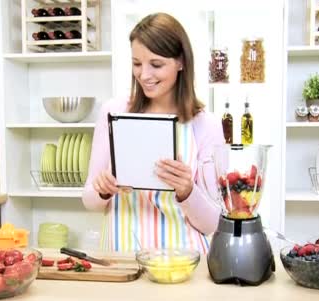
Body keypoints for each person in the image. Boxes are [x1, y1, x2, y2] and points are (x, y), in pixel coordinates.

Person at [82, 13, 222, 253]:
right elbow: (89, 201)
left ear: (181, 62)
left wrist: (187, 191)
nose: (144, 75)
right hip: (121, 261)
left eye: (156, 64)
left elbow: (214, 224)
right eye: (137, 63)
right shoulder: (113, 112)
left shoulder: (205, 125)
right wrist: (102, 190)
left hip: (183, 264)